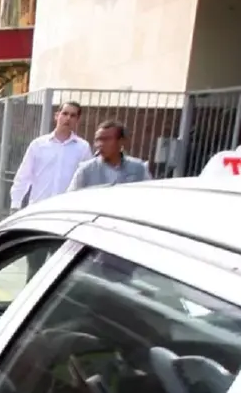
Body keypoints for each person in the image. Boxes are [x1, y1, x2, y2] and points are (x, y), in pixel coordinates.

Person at [10, 101, 92, 279]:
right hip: (40, 214)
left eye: (73, 115)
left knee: (59, 271)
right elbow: (23, 176)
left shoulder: (83, 148)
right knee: (34, 268)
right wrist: (15, 205)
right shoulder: (38, 145)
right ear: (57, 115)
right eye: (65, 114)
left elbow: (87, 181)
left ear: (78, 119)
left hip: (68, 218)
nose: (67, 118)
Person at [68, 120, 151, 191]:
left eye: (106, 139)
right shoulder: (86, 170)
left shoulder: (139, 168)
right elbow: (70, 198)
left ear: (121, 141)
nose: (100, 144)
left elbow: (150, 196)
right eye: (98, 140)